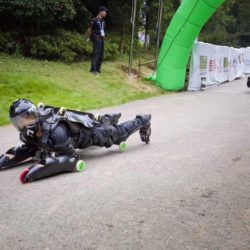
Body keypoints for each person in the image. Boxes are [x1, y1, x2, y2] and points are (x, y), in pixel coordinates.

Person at [0, 99, 152, 183]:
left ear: (34, 115)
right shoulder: (28, 133)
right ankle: (107, 118)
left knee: (117, 134)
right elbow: (30, 148)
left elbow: (70, 157)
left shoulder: (55, 131)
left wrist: (35, 171)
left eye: (27, 118)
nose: (24, 124)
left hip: (88, 135)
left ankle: (142, 120)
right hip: (74, 137)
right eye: (19, 122)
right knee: (107, 127)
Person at [89, 6, 108, 75]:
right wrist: (90, 38)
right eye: (105, 11)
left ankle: (98, 68)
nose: (106, 13)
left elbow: (103, 29)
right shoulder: (94, 20)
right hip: (96, 38)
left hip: (102, 38)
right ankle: (93, 69)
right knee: (96, 53)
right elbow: (90, 29)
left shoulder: (103, 21)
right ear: (101, 12)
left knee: (101, 54)